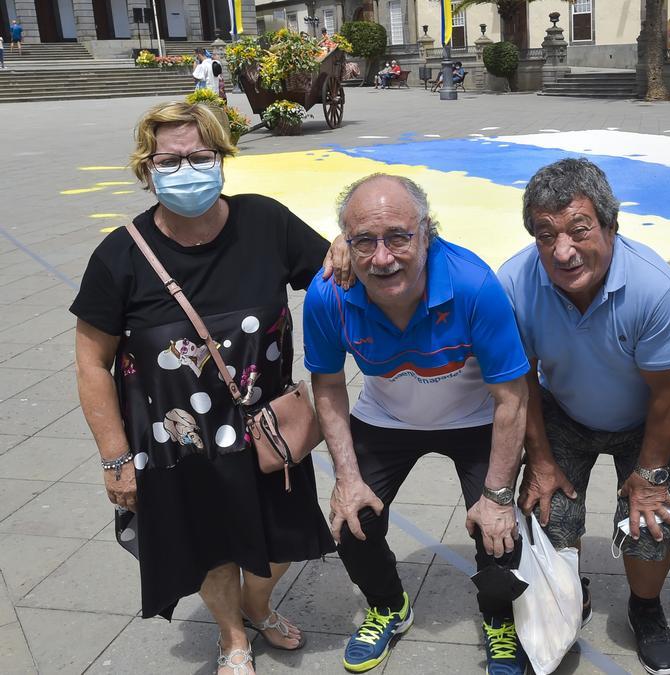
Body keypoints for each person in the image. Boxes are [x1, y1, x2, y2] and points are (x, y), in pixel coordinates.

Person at [71, 101, 348, 675]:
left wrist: (346, 245)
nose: (187, 169)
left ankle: (257, 605)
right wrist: (114, 457)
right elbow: (91, 363)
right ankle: (232, 637)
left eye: (200, 155)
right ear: (146, 169)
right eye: (169, 159)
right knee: (210, 548)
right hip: (178, 444)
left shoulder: (265, 223)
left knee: (281, 539)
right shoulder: (119, 255)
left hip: (265, 431)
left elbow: (333, 274)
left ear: (222, 158)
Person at [304, 174, 531, 675]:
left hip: (473, 419)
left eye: (399, 238)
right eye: (364, 240)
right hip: (386, 419)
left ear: (426, 233)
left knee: (499, 531)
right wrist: (345, 477)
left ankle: (499, 619)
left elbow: (512, 397)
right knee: (351, 520)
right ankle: (388, 606)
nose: (382, 258)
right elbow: (327, 386)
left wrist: (497, 496)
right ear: (345, 241)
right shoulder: (328, 294)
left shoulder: (473, 284)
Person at [498, 158, 670, 675]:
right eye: (545, 235)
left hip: (644, 420)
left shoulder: (655, 287)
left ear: (610, 224)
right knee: (548, 514)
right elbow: (520, 380)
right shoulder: (516, 281)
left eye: (580, 231)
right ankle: (566, 597)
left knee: (648, 530)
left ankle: (646, 611)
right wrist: (538, 460)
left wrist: (649, 477)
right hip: (563, 411)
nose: (563, 252)